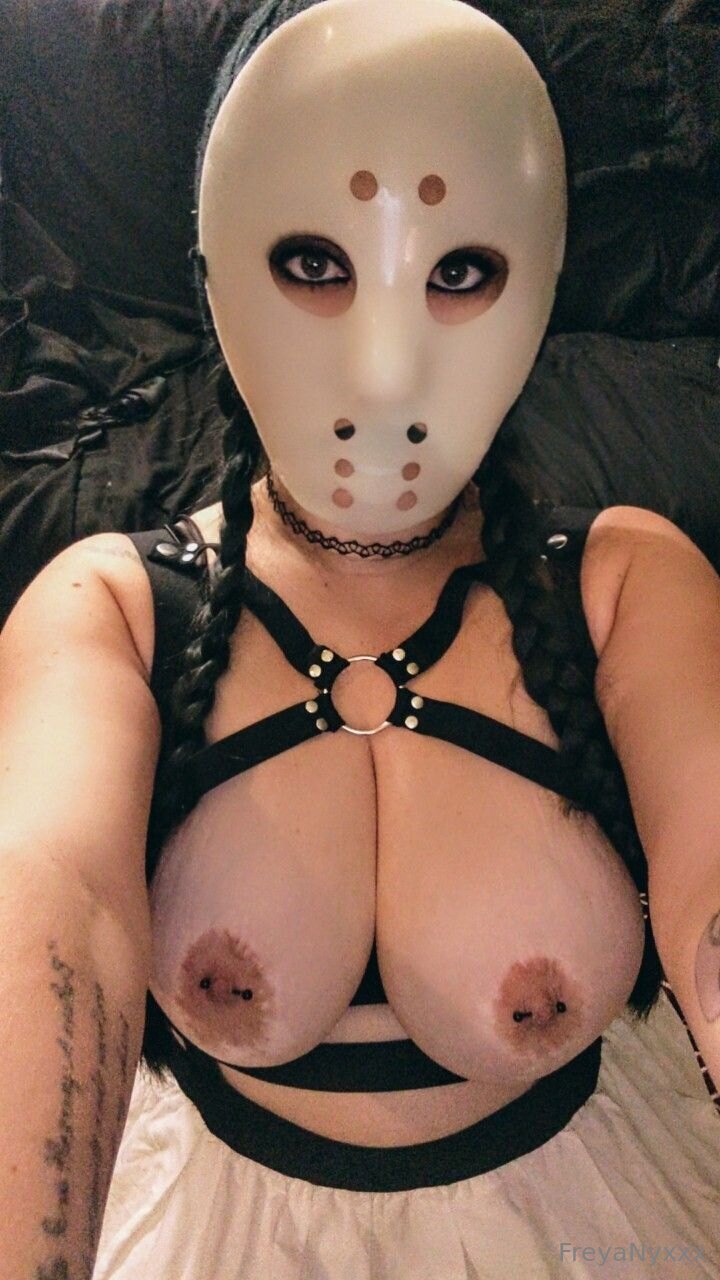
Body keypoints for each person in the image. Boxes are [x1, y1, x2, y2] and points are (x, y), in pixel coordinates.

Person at [0, 1, 718, 1277]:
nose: (386, 372)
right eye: (313, 263)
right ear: (215, 275)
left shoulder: (622, 584)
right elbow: (51, 906)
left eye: (460, 273)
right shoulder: (110, 607)